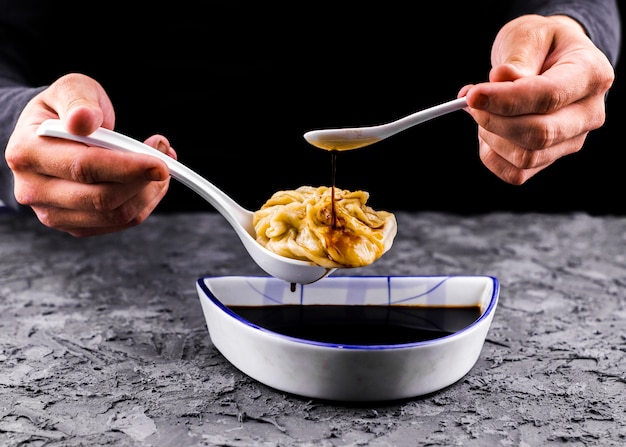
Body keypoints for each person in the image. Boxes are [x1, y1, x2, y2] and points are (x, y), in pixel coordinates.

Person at [0, 1, 621, 237]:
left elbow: (575, 8)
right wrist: (15, 127)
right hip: (129, 238)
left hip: (486, 221)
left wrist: (572, 28)